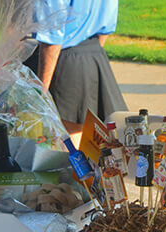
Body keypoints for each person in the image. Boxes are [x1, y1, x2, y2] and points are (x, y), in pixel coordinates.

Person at [27, 0, 127, 147]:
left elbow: (52, 37)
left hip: (64, 61)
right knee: (88, 142)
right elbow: (107, 25)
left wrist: (41, 92)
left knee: (67, 142)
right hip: (93, 54)